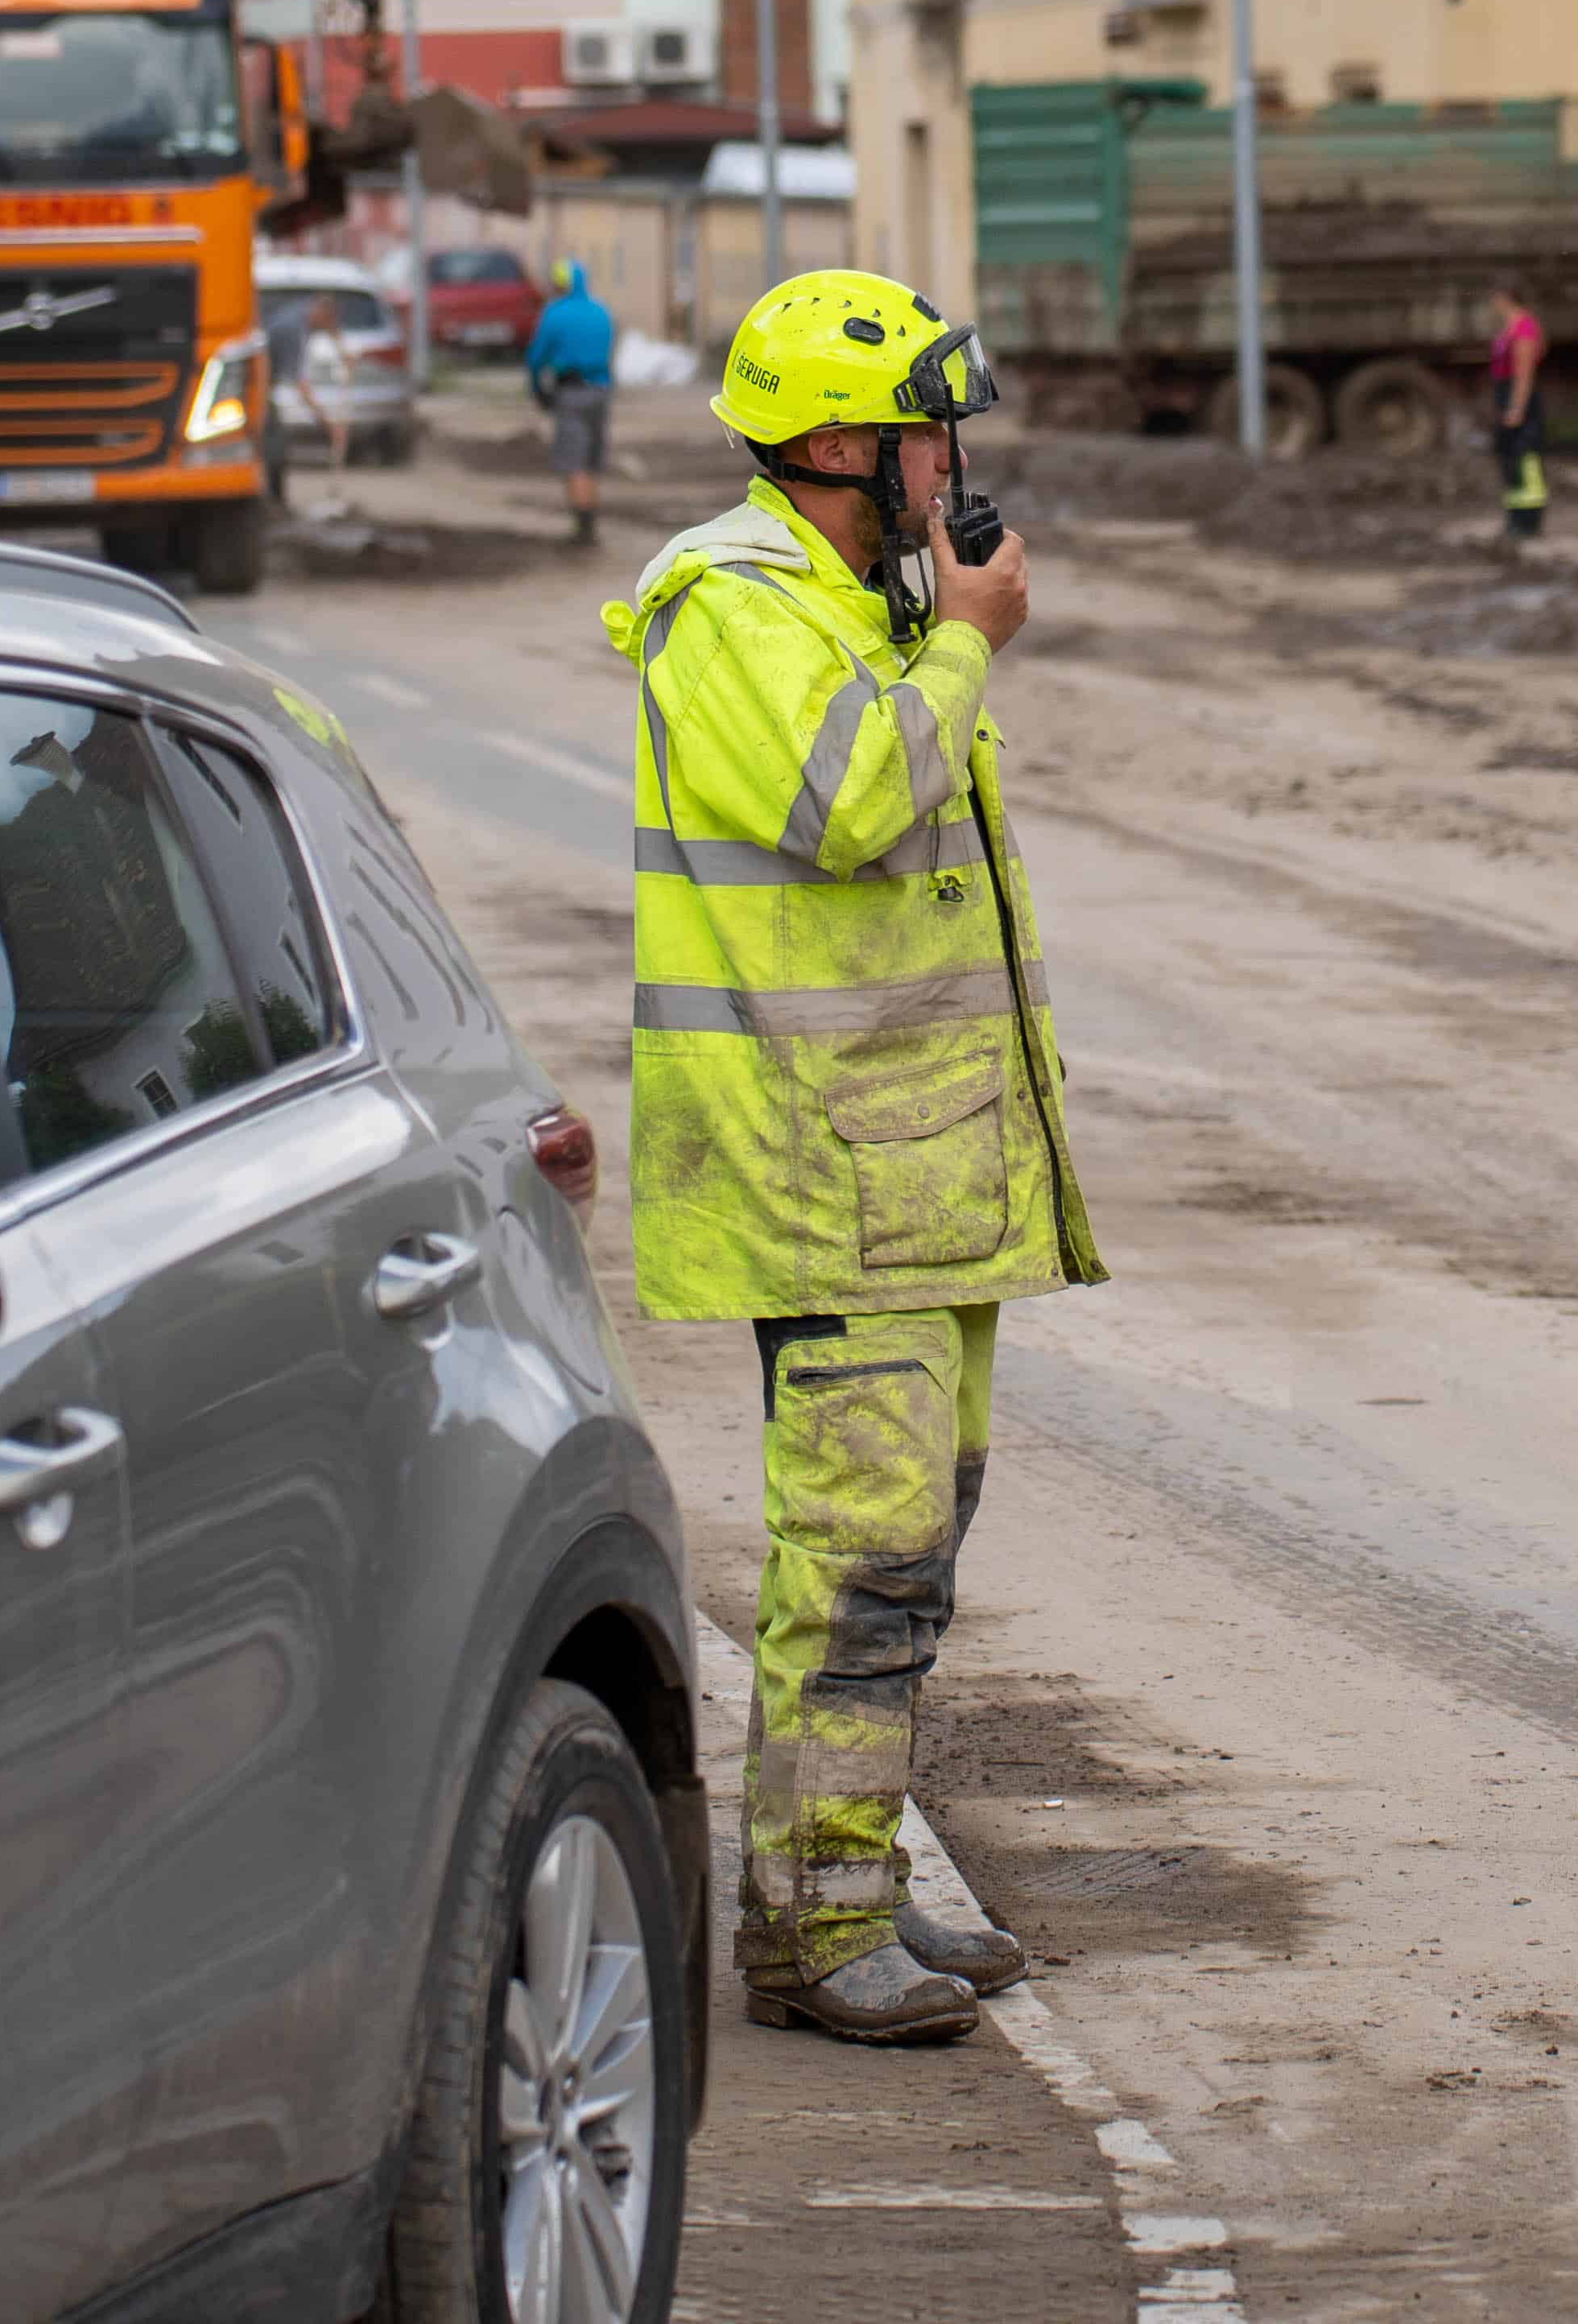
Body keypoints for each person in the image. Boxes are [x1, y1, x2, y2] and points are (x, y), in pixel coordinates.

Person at [599, 269, 1097, 2048]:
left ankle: (853, 1887)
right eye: (927, 427)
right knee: (860, 1552)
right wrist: (967, 640)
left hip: (915, 1169)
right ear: (836, 440)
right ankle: (813, 1929)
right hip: (822, 1171)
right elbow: (853, 807)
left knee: (916, 1541)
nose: (951, 459)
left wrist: (930, 628)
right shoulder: (732, 604)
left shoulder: (849, 598)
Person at [526, 258, 621, 546]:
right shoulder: (600, 312)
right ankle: (591, 519)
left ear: (560, 284)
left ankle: (583, 530)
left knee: (574, 460)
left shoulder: (555, 314)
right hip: (601, 391)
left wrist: (537, 391)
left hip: (571, 392)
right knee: (591, 460)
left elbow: (535, 357)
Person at [1485, 272, 1548, 546]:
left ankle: (1529, 521)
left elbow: (1524, 375)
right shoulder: (1508, 327)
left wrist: (1516, 408)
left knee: (1526, 460)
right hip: (1505, 397)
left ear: (1506, 297)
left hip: (1519, 400)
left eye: (1495, 296)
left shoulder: (1524, 328)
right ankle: (1514, 518)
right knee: (1509, 461)